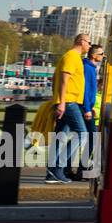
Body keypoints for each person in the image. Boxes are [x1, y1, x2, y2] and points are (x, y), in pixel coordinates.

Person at [45, 34, 91, 184]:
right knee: (82, 134)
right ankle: (59, 167)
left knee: (61, 137)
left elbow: (55, 79)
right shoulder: (72, 56)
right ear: (81, 42)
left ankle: (51, 173)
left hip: (68, 101)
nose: (89, 46)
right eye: (89, 43)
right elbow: (64, 80)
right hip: (69, 102)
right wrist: (62, 103)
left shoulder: (73, 57)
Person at [75, 44, 104, 180]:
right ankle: (82, 169)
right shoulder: (88, 68)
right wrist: (87, 109)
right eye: (101, 53)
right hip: (84, 108)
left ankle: (78, 168)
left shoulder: (91, 67)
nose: (103, 56)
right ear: (93, 55)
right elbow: (85, 90)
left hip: (87, 107)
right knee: (93, 136)